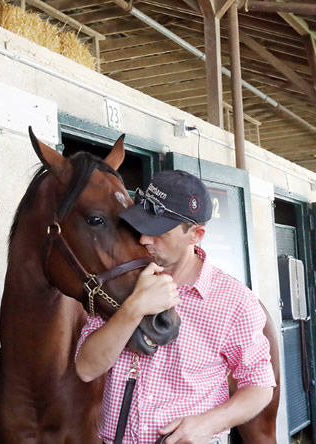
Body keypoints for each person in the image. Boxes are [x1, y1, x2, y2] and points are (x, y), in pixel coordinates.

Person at [75, 170, 275, 444]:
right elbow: (86, 367)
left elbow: (260, 386)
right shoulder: (124, 286)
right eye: (141, 227)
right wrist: (133, 308)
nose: (145, 240)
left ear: (196, 234)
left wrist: (207, 424)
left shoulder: (234, 301)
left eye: (159, 233)